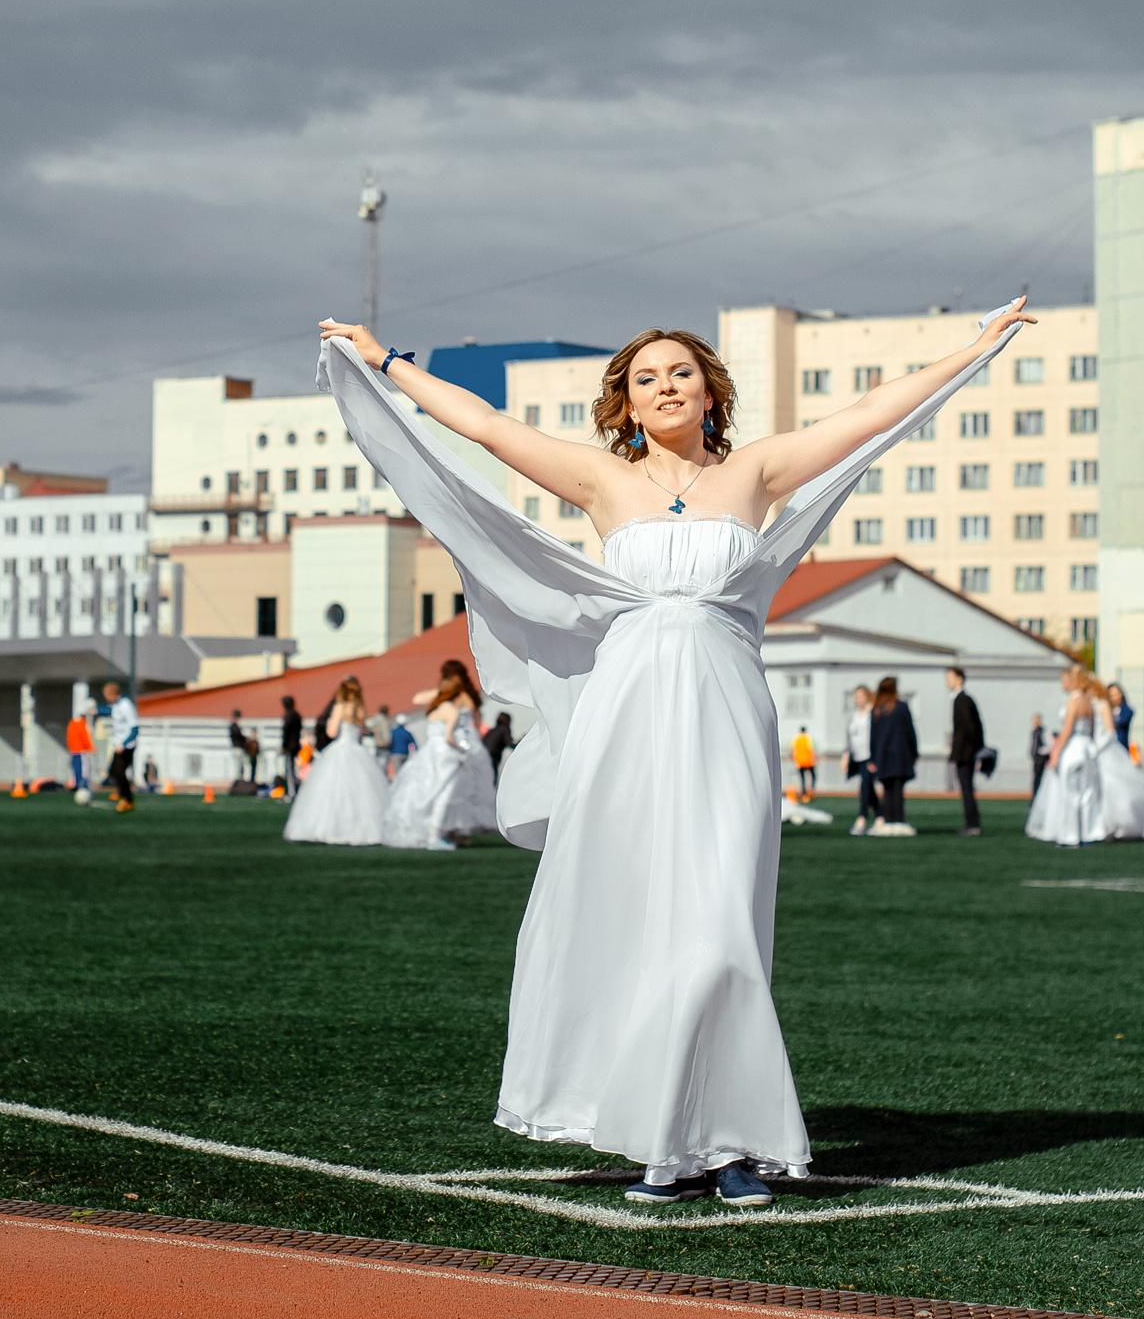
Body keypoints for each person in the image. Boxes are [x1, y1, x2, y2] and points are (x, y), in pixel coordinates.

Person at [319, 297, 1031, 1208]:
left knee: (719, 919)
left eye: (679, 372)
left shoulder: (756, 471)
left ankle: (731, 1138)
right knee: (639, 918)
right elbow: (486, 426)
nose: (663, 387)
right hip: (627, 717)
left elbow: (864, 417)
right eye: (644, 377)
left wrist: (971, 351)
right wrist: (387, 364)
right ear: (624, 400)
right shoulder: (599, 480)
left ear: (708, 391)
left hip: (728, 710)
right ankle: (666, 1137)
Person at [381, 660, 494, 849]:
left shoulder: (449, 699)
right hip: (464, 740)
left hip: (452, 741)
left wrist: (441, 692)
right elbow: (475, 720)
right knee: (465, 788)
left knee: (451, 788)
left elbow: (417, 699)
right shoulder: (468, 696)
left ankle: (447, 830)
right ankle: (458, 831)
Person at [284, 676, 391, 844]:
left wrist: (328, 724)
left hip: (340, 749)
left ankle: (331, 828)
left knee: (330, 791)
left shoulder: (340, 707)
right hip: (357, 751)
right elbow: (361, 732)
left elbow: (332, 733)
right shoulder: (360, 709)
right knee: (361, 792)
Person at [1027, 667, 1103, 846]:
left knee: (1069, 793)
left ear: (1073, 681)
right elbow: (1091, 729)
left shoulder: (1073, 702)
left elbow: (1067, 730)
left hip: (1073, 748)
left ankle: (1070, 835)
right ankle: (1087, 833)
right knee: (1086, 793)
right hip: (1087, 749)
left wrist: (1056, 754)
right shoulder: (1088, 702)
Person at [866, 677, 918, 836]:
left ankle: (888, 819)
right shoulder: (901, 707)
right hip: (901, 755)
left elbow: (873, 736)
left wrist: (873, 757)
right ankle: (898, 820)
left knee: (887, 789)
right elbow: (910, 732)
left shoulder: (877, 709)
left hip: (883, 756)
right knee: (898, 789)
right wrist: (914, 751)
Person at [944, 667, 984, 836]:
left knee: (966, 788)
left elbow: (970, 728)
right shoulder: (962, 699)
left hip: (965, 753)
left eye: (950, 678)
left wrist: (964, 749)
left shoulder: (962, 700)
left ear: (959, 679)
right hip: (967, 751)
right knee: (966, 787)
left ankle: (973, 824)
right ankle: (972, 823)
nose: (947, 682)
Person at [101, 680, 139, 812]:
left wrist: (123, 744)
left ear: (113, 694)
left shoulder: (126, 705)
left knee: (118, 771)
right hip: (119, 744)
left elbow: (134, 729)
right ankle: (123, 794)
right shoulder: (116, 705)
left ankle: (127, 799)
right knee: (113, 771)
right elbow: (110, 711)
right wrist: (96, 709)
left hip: (127, 746)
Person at [845, 686, 878, 835]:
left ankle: (862, 817)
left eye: (859, 696)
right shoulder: (854, 715)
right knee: (869, 787)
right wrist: (846, 755)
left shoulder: (873, 713)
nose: (856, 700)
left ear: (867, 696)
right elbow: (849, 736)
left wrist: (876, 758)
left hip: (869, 757)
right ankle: (880, 814)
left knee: (865, 785)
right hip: (857, 757)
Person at [277, 695, 303, 799]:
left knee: (289, 770)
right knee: (293, 769)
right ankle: (293, 790)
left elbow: (285, 732)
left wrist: (283, 745)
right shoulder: (297, 715)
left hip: (290, 747)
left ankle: (291, 792)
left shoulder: (289, 715)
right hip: (296, 745)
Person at [64, 705, 92, 792]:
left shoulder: (71, 724)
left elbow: (69, 738)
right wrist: (90, 747)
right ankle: (82, 784)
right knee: (83, 768)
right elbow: (84, 736)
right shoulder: (80, 723)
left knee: (75, 767)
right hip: (81, 750)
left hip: (73, 750)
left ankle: (76, 784)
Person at [228, 709, 259, 785]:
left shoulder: (237, 726)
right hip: (237, 748)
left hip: (240, 748)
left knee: (241, 765)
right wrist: (247, 739)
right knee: (238, 766)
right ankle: (238, 782)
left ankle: (240, 781)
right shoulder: (234, 726)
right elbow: (239, 736)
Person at [1026, 713, 1049, 803]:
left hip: (1041, 760)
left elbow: (1046, 745)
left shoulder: (1042, 732)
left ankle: (1040, 797)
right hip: (1035, 759)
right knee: (1035, 778)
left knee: (1040, 778)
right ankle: (1035, 797)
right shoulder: (1034, 732)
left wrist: (1041, 754)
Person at [789, 726, 816, 801]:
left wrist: (794, 760)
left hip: (799, 761)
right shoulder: (809, 737)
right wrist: (815, 760)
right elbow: (812, 749)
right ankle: (811, 790)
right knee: (813, 776)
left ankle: (804, 791)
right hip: (809, 761)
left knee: (802, 777)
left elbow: (791, 750)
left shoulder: (795, 738)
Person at [387, 713, 417, 779]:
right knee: (405, 771)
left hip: (395, 754)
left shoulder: (393, 732)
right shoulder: (407, 732)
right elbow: (414, 743)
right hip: (405, 754)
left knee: (398, 773)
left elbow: (389, 742)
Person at [1106, 684, 1134, 750]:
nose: (1115, 698)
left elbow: (1121, 722)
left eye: (1116, 694)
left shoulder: (1126, 710)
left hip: (1121, 746)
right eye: (1112, 695)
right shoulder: (1108, 709)